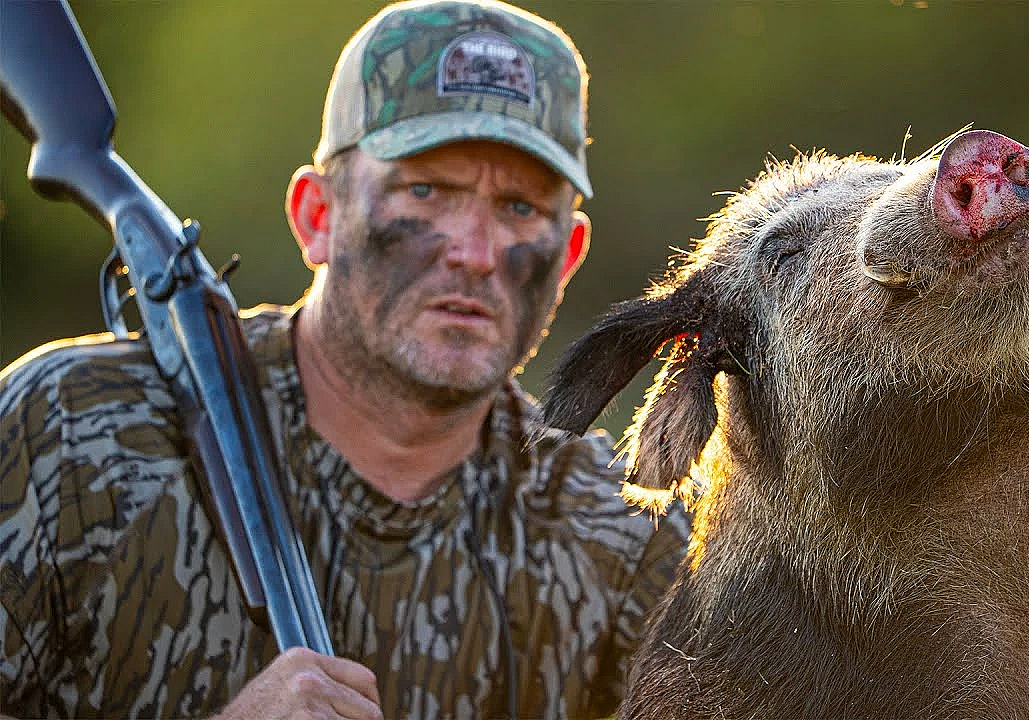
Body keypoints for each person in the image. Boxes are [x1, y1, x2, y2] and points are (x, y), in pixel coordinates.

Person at [0, 1, 690, 718]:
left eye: (519, 208)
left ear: (569, 256)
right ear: (316, 216)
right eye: (425, 191)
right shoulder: (63, 438)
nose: (476, 253)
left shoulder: (630, 541)